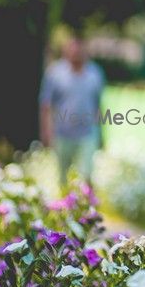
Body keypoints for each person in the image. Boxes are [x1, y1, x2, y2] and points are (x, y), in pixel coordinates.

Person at [39, 35, 105, 192]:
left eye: (79, 51)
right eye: (73, 51)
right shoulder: (55, 73)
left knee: (86, 175)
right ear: (66, 52)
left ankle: (86, 210)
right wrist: (46, 131)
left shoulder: (95, 74)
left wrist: (102, 133)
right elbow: (46, 105)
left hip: (87, 133)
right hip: (62, 134)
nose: (76, 54)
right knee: (62, 177)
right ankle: (64, 209)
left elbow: (98, 105)